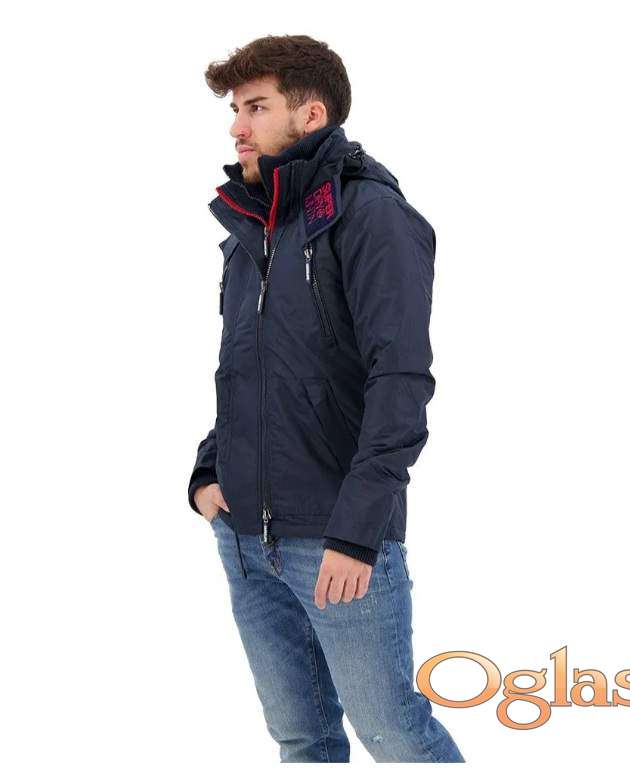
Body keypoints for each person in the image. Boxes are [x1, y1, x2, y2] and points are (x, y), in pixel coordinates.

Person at [187, 34, 464, 763]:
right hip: (245, 538)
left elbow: (400, 378)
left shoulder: (370, 214)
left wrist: (357, 531)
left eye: (256, 107)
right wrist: (208, 474)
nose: (236, 127)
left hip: (338, 540)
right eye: (234, 110)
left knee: (397, 734)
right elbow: (241, 373)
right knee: (301, 739)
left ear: (311, 114)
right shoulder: (251, 229)